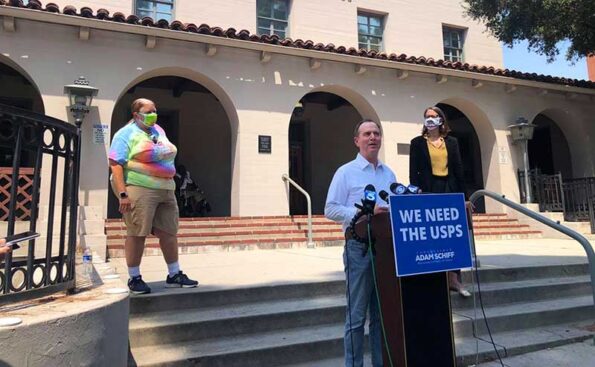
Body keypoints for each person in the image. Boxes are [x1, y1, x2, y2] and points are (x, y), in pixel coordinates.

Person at [325, 119, 397, 367]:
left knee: (380, 317)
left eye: (376, 133)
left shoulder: (389, 173)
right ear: (357, 140)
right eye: (367, 134)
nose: (373, 137)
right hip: (358, 249)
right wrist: (360, 215)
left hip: (386, 250)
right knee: (356, 317)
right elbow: (330, 209)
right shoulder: (345, 172)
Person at [108, 98, 198, 294]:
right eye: (148, 112)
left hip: (166, 188)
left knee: (169, 232)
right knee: (138, 232)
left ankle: (174, 274)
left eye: (154, 110)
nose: (153, 114)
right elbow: (115, 164)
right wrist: (123, 193)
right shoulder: (125, 134)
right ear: (136, 115)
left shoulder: (158, 130)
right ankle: (134, 277)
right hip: (140, 187)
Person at [409, 106, 471, 297]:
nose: (430, 119)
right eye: (427, 116)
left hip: (449, 190)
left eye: (434, 116)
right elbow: (414, 171)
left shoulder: (451, 142)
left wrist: (465, 198)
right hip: (428, 190)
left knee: (453, 235)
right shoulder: (417, 143)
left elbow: (458, 170)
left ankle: (454, 280)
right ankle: (434, 278)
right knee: (432, 234)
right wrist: (416, 190)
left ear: (441, 120)